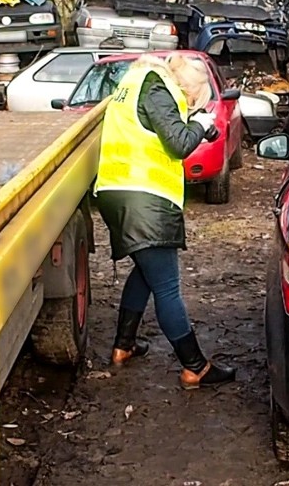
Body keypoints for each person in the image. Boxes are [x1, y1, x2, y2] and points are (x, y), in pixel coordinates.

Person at [93, 52, 236, 390]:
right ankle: (195, 366)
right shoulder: (159, 89)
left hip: (116, 193)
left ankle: (123, 346)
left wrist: (198, 123)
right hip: (145, 200)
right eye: (190, 99)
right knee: (167, 286)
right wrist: (200, 124)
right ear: (185, 88)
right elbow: (179, 143)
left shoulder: (133, 84)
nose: (186, 104)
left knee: (145, 272)